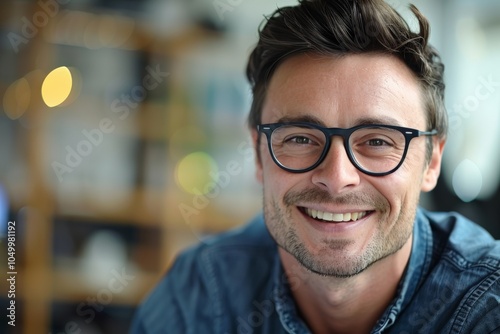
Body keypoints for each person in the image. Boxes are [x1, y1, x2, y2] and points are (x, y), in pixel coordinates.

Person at [130, 0, 500, 333]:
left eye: (377, 141)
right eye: (301, 138)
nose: (337, 178)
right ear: (259, 152)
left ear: (432, 160)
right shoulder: (201, 295)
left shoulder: (486, 306)